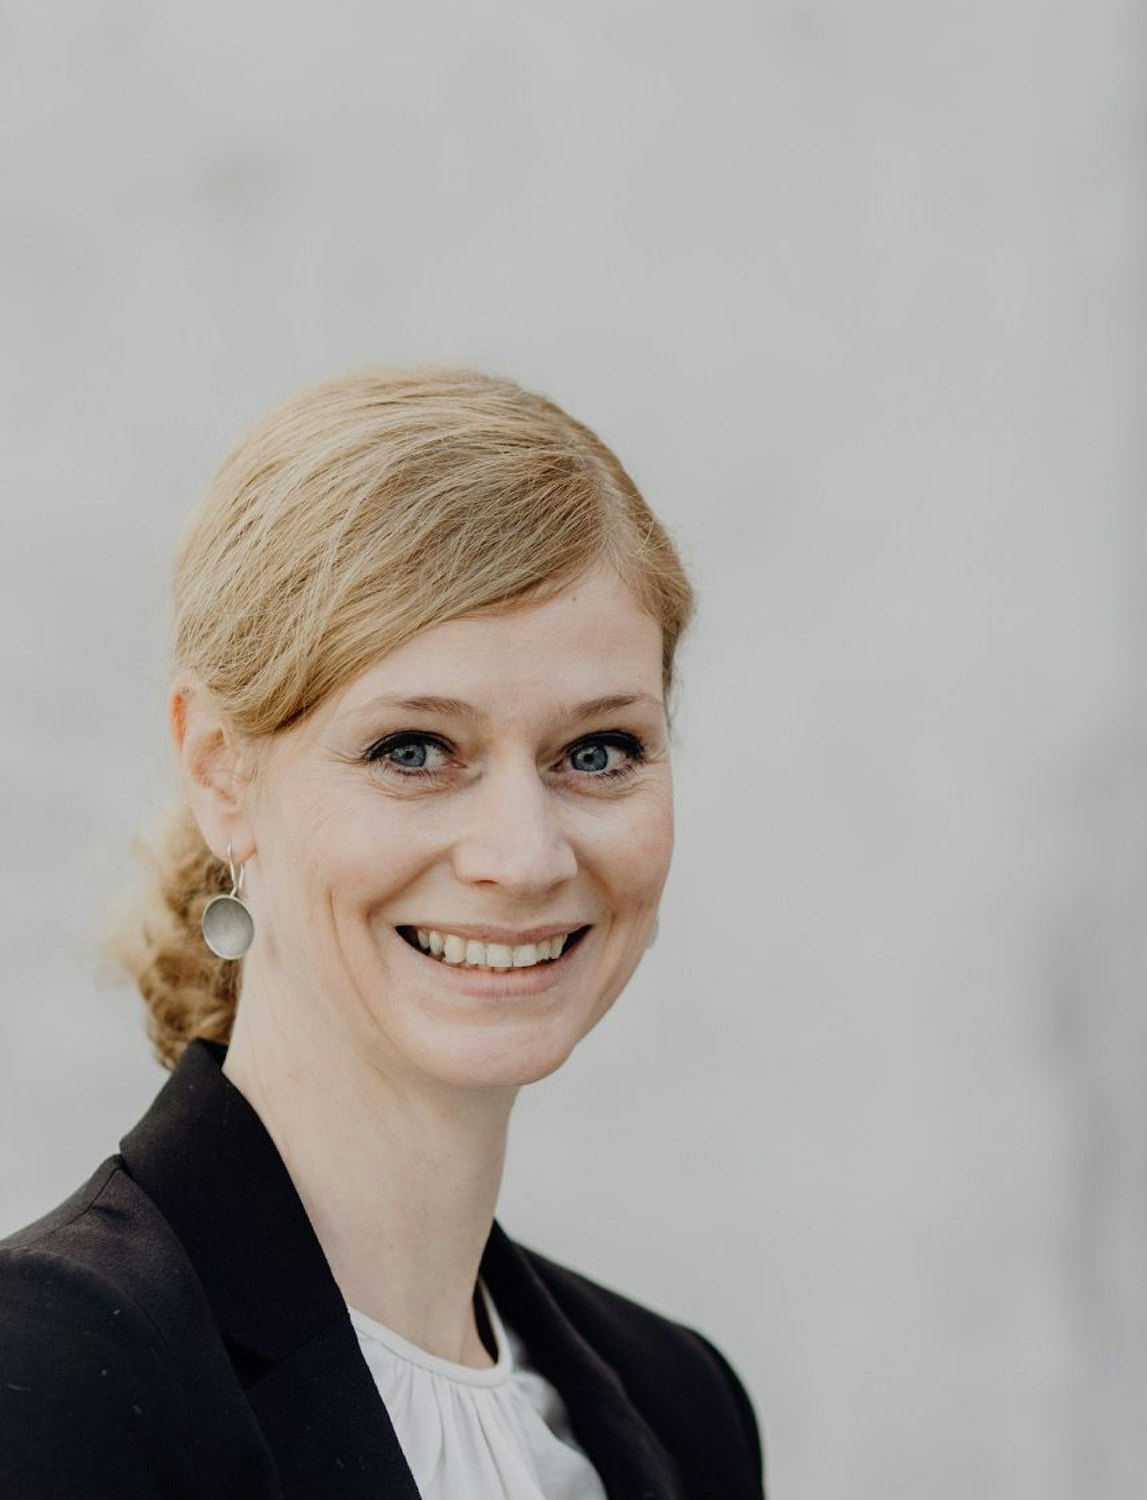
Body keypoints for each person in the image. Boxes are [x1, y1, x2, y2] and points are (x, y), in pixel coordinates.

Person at [0, 370, 763, 1499]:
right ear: (220, 774)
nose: (526, 855)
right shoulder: (48, 1373)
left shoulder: (681, 1404)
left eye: (596, 752)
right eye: (414, 749)